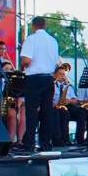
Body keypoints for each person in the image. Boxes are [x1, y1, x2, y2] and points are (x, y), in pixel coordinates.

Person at [18, 16, 60, 151]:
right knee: (47, 112)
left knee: (31, 112)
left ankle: (29, 143)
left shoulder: (31, 39)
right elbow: (56, 62)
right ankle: (45, 144)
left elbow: (26, 60)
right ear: (45, 25)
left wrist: (22, 68)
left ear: (33, 26)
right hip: (49, 79)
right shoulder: (53, 41)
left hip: (34, 78)